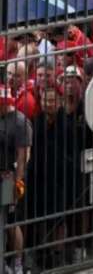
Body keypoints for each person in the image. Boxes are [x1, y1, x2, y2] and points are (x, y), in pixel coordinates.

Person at [0, 84, 31, 274]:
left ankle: (18, 262)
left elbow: (22, 156)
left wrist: (17, 181)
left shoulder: (20, 122)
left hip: (8, 178)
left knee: (10, 222)